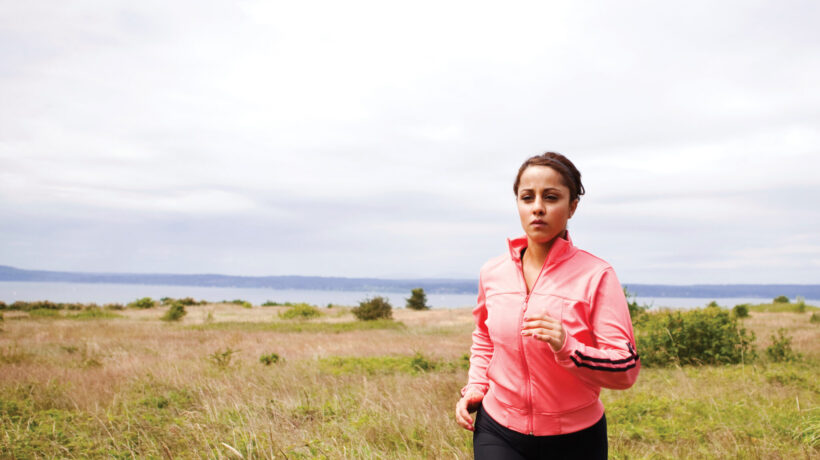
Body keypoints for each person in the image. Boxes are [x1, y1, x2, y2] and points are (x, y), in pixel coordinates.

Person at [455, 152, 640, 459]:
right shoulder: (493, 272)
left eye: (551, 197)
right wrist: (475, 388)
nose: (538, 207)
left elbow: (625, 369)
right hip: (499, 428)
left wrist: (569, 347)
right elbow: (485, 338)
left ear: (572, 207)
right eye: (527, 197)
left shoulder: (596, 275)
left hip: (575, 436)